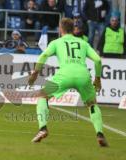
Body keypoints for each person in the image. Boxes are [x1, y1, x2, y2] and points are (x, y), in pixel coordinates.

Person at [28, 18, 108, 147]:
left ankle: (42, 128)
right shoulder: (83, 43)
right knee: (92, 104)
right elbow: (98, 60)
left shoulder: (57, 42)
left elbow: (43, 55)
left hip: (65, 75)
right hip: (83, 75)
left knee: (42, 96)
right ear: (73, 29)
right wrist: (97, 79)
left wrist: (35, 73)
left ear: (61, 29)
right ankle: (100, 134)